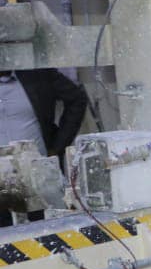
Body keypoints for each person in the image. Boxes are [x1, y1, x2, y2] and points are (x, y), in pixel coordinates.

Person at [0, 65, 88, 226]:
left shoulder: (37, 74)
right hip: (2, 182)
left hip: (38, 174)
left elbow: (77, 98)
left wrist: (57, 146)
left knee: (49, 230)